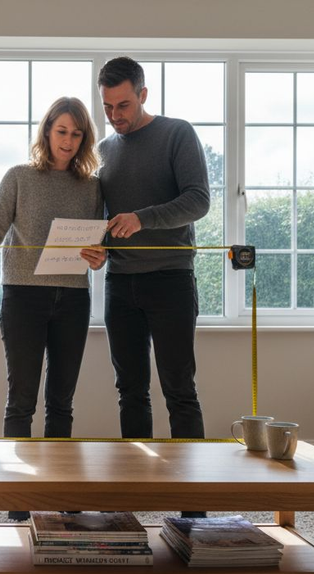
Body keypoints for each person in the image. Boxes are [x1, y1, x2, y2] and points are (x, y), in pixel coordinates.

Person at [0, 97, 104, 520]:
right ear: (47, 131)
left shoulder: (92, 186)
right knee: (21, 401)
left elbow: (99, 246)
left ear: (84, 139)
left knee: (61, 403)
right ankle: (19, 501)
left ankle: (58, 494)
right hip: (23, 298)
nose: (68, 140)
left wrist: (100, 257)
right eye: (61, 131)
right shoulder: (19, 177)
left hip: (73, 299)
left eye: (76, 133)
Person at [81, 57, 210, 458]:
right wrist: (100, 250)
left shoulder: (177, 133)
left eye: (123, 105)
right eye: (107, 107)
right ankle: (135, 485)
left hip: (171, 279)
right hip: (120, 285)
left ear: (143, 95)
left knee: (179, 390)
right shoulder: (103, 150)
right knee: (130, 392)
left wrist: (142, 218)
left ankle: (192, 495)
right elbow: (105, 220)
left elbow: (198, 200)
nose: (114, 115)